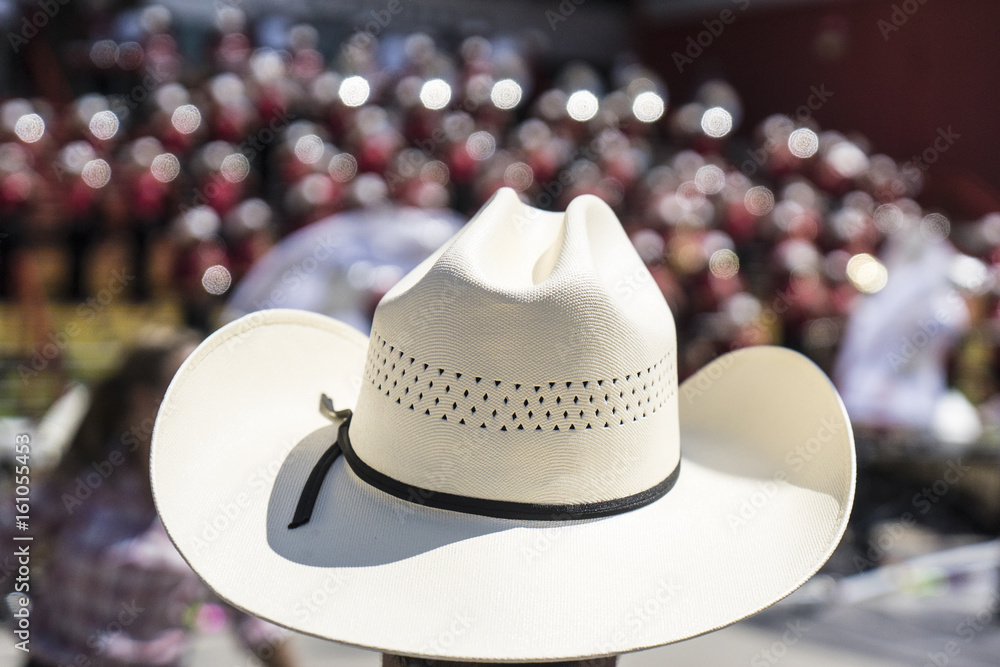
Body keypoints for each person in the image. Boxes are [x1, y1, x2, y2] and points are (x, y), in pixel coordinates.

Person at [0, 327, 297, 667]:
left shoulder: (208, 503)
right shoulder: (79, 481)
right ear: (142, 401)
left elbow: (254, 620)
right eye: (189, 392)